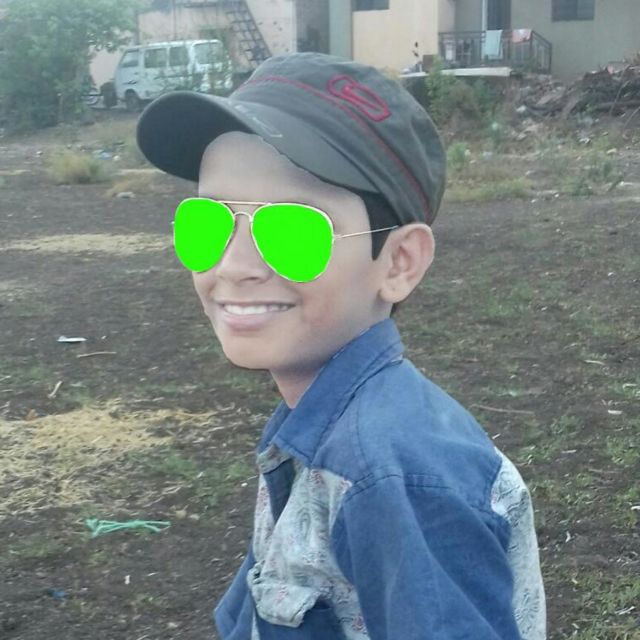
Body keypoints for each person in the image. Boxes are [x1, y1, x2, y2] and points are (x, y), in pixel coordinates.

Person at [136, 52, 546, 640]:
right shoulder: (317, 428)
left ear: (399, 263)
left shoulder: (391, 475)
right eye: (208, 223)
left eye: (293, 231)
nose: (234, 264)